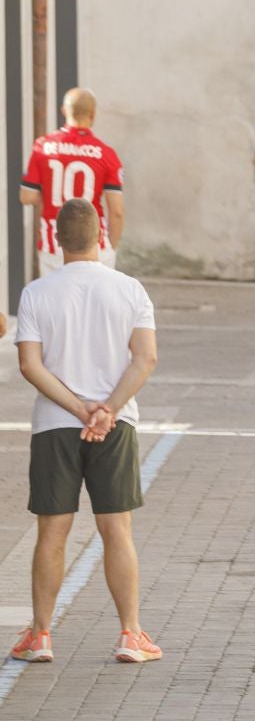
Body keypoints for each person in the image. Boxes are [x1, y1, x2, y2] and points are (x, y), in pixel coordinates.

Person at [8, 199, 164, 667]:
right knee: (116, 529)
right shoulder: (130, 289)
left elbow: (29, 364)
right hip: (116, 427)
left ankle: (40, 636)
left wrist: (77, 407)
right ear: (101, 237)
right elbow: (146, 358)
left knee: (52, 533)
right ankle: (131, 635)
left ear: (57, 241)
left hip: (54, 425)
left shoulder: (36, 292)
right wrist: (108, 410)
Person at [21, 88, 126, 278]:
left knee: (54, 305)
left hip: (53, 244)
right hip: (95, 244)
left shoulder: (43, 147)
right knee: (96, 305)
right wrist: (111, 245)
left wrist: (50, 193)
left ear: (64, 111)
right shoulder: (106, 154)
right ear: (93, 114)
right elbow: (117, 213)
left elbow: (26, 196)